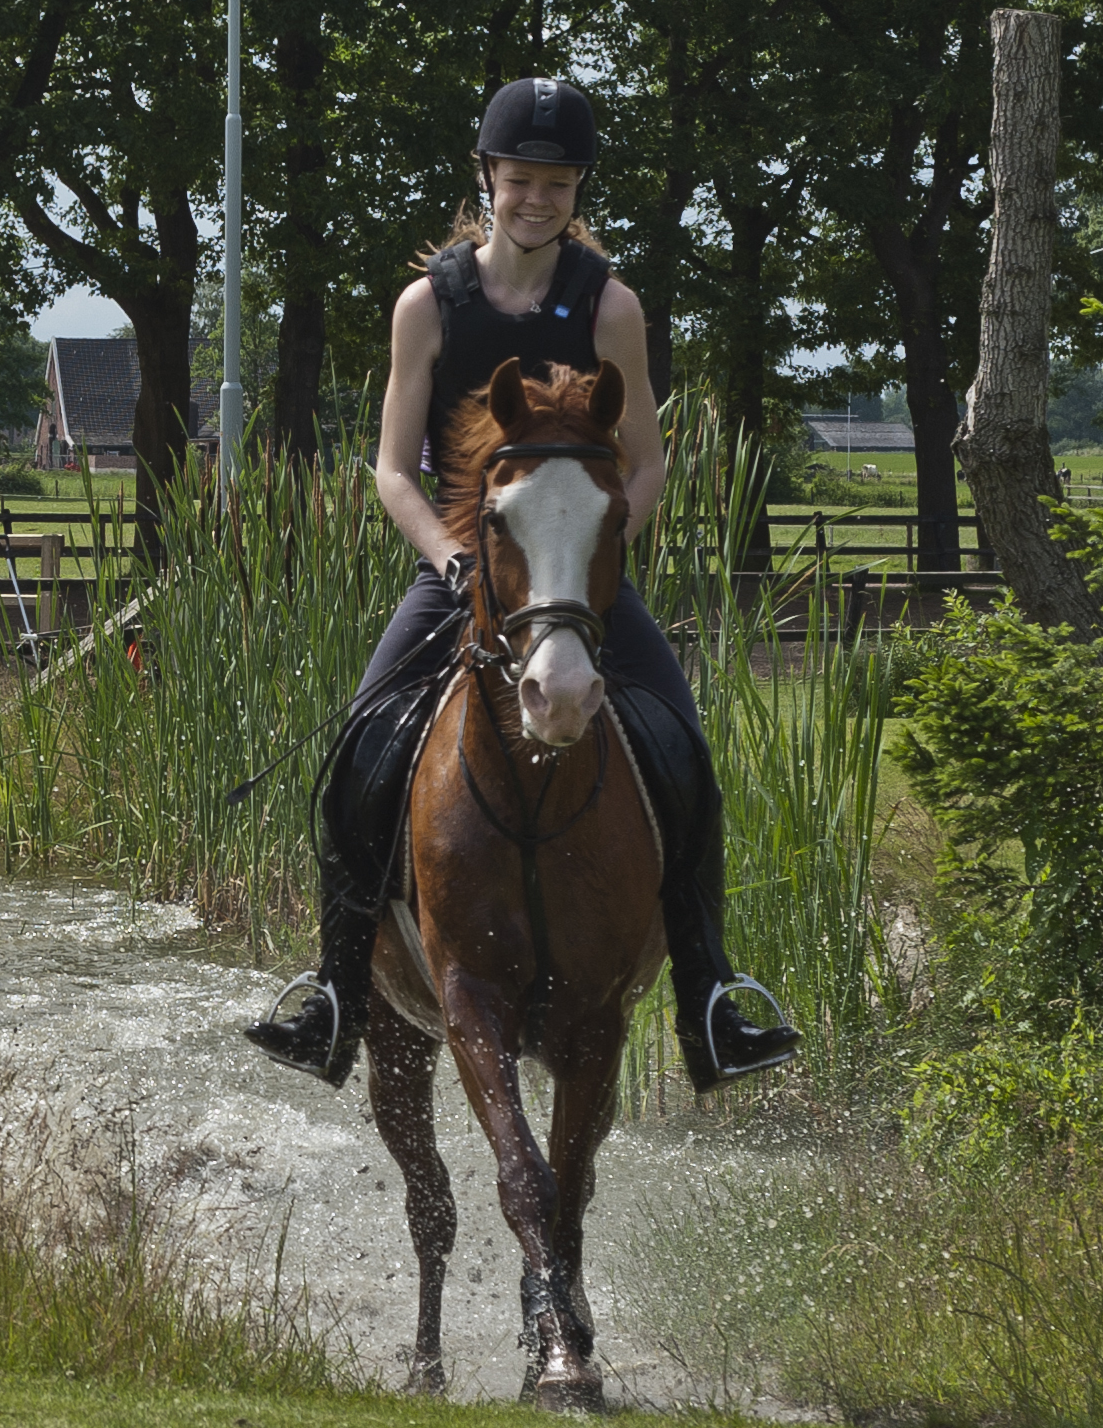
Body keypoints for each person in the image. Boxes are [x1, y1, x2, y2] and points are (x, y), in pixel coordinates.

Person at [241, 78, 801, 1096]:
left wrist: (586, 556)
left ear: (575, 188)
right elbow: (390, 469)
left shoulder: (610, 305)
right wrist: (449, 558)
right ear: (486, 176)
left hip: (572, 581)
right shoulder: (428, 306)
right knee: (361, 751)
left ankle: (710, 996)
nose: (535, 198)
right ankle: (333, 991)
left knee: (682, 751)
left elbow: (646, 465)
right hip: (457, 573)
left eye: (556, 182)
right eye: (519, 179)